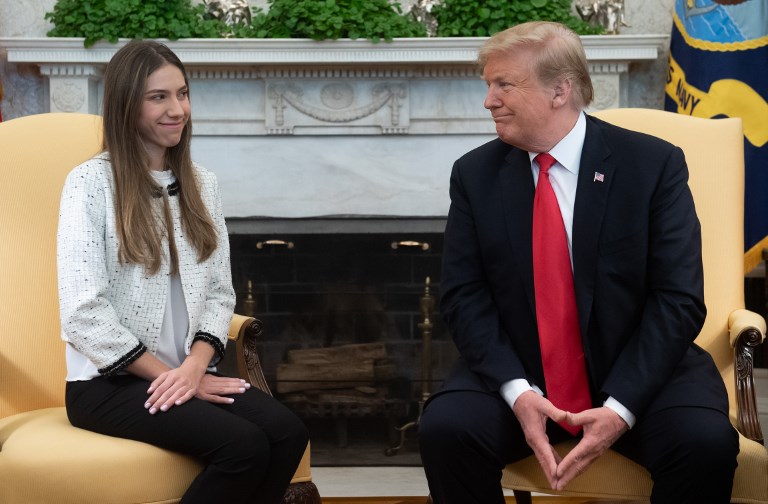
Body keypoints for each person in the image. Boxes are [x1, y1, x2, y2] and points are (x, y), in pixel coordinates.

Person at [419, 21, 738, 504]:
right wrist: (518, 392)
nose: (489, 100)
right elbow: (464, 296)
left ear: (560, 90)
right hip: (522, 370)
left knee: (703, 443)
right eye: (488, 85)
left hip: (637, 371)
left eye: (504, 84)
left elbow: (678, 299)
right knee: (446, 430)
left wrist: (621, 408)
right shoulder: (474, 174)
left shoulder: (652, 166)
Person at [57, 40, 308, 504]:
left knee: (288, 431)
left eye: (183, 94)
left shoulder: (202, 182)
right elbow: (83, 312)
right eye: (159, 97)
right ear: (126, 104)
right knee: (244, 446)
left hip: (184, 371)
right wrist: (171, 377)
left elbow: (218, 292)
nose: (178, 110)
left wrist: (193, 367)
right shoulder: (90, 184)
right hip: (108, 386)